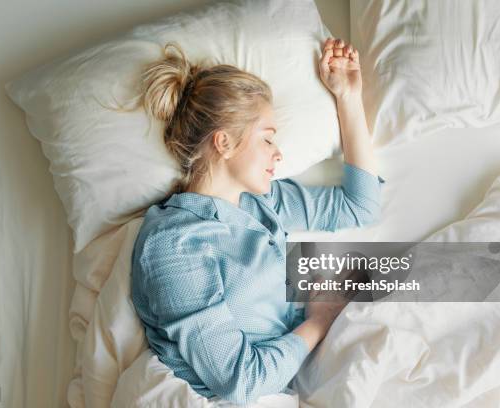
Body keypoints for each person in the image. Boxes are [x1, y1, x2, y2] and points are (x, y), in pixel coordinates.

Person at [130, 37, 385, 405]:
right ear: (224, 143)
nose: (278, 153)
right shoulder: (173, 246)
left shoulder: (262, 203)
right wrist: (319, 321)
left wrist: (348, 97)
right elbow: (241, 381)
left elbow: (360, 206)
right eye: (267, 140)